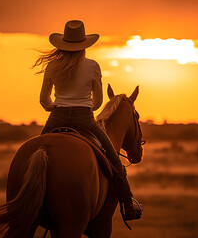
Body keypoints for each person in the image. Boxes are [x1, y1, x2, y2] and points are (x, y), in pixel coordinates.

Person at [33, 20, 142, 221]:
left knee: (34, 157)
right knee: (115, 162)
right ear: (84, 45)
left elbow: (43, 100)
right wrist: (83, 107)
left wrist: (53, 106)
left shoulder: (52, 65)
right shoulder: (92, 66)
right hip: (85, 119)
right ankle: (128, 204)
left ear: (63, 44)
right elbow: (98, 101)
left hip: (56, 118)